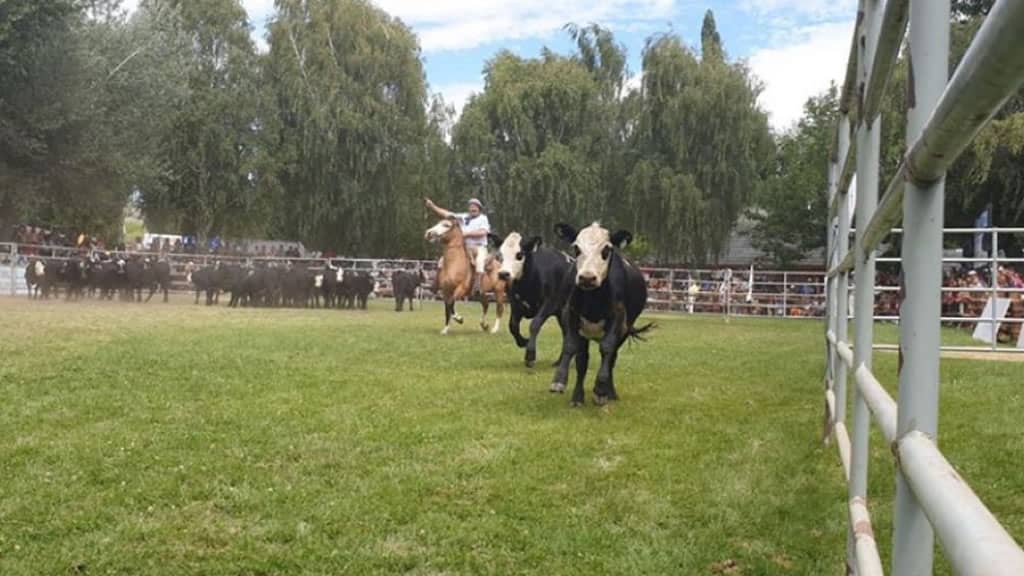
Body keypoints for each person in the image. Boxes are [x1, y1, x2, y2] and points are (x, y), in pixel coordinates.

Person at [424, 197, 491, 295]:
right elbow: (446, 214)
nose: (472, 209)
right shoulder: (463, 217)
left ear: (479, 209)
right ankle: (436, 283)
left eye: (475, 207)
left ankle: (477, 286)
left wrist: (467, 234)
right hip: (464, 247)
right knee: (442, 260)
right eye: (471, 206)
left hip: (479, 247)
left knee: (480, 262)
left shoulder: (483, 218)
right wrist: (432, 206)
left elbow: (483, 232)